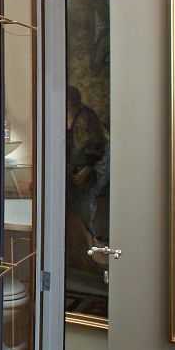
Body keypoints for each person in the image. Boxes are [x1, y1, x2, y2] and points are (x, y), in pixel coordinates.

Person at [66, 86, 109, 271]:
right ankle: (80, 255)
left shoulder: (85, 118)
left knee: (83, 208)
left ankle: (92, 256)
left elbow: (96, 148)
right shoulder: (70, 116)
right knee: (76, 210)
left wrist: (85, 170)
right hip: (77, 170)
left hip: (90, 170)